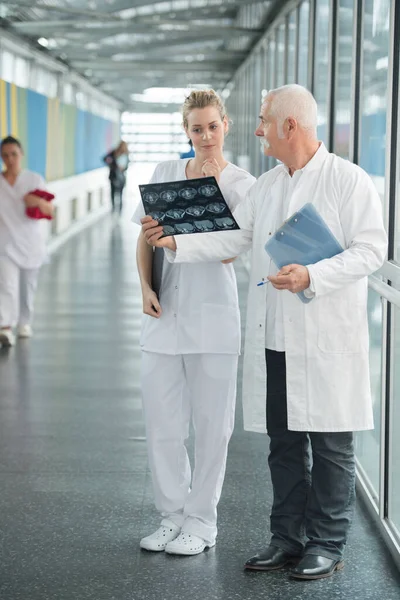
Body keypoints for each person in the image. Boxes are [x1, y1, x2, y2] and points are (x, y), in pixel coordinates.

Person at [140, 84, 388, 578]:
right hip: (276, 335)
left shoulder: (348, 180)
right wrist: (176, 242)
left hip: (326, 337)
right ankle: (286, 538)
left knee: (333, 448)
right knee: (285, 442)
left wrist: (312, 275)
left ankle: (326, 544)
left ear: (289, 126)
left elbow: (370, 251)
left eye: (264, 121)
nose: (258, 130)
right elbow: (235, 236)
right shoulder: (269, 185)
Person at [132, 89, 255, 556]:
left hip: (213, 323)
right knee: (162, 424)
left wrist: (213, 192)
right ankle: (171, 515)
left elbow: (230, 249)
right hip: (164, 317)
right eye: (196, 128)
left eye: (212, 125)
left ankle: (202, 522)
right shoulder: (164, 172)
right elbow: (145, 237)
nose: (205, 135)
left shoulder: (243, 184)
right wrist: (144, 287)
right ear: (186, 131)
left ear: (227, 125)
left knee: (211, 428)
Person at [0, 136, 54, 347]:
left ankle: (24, 322)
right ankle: (5, 326)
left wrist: (38, 201)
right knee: (6, 285)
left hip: (31, 243)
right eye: (5, 155)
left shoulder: (34, 179)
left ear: (21, 155)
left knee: (27, 287)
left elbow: (50, 211)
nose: (10, 159)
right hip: (4, 244)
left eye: (14, 154)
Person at [103, 141, 129, 214]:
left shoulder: (126, 154)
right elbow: (105, 158)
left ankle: (120, 209)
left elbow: (127, 166)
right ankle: (113, 208)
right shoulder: (114, 152)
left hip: (121, 177)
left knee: (120, 193)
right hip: (113, 176)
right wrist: (111, 164)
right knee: (113, 192)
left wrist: (122, 168)